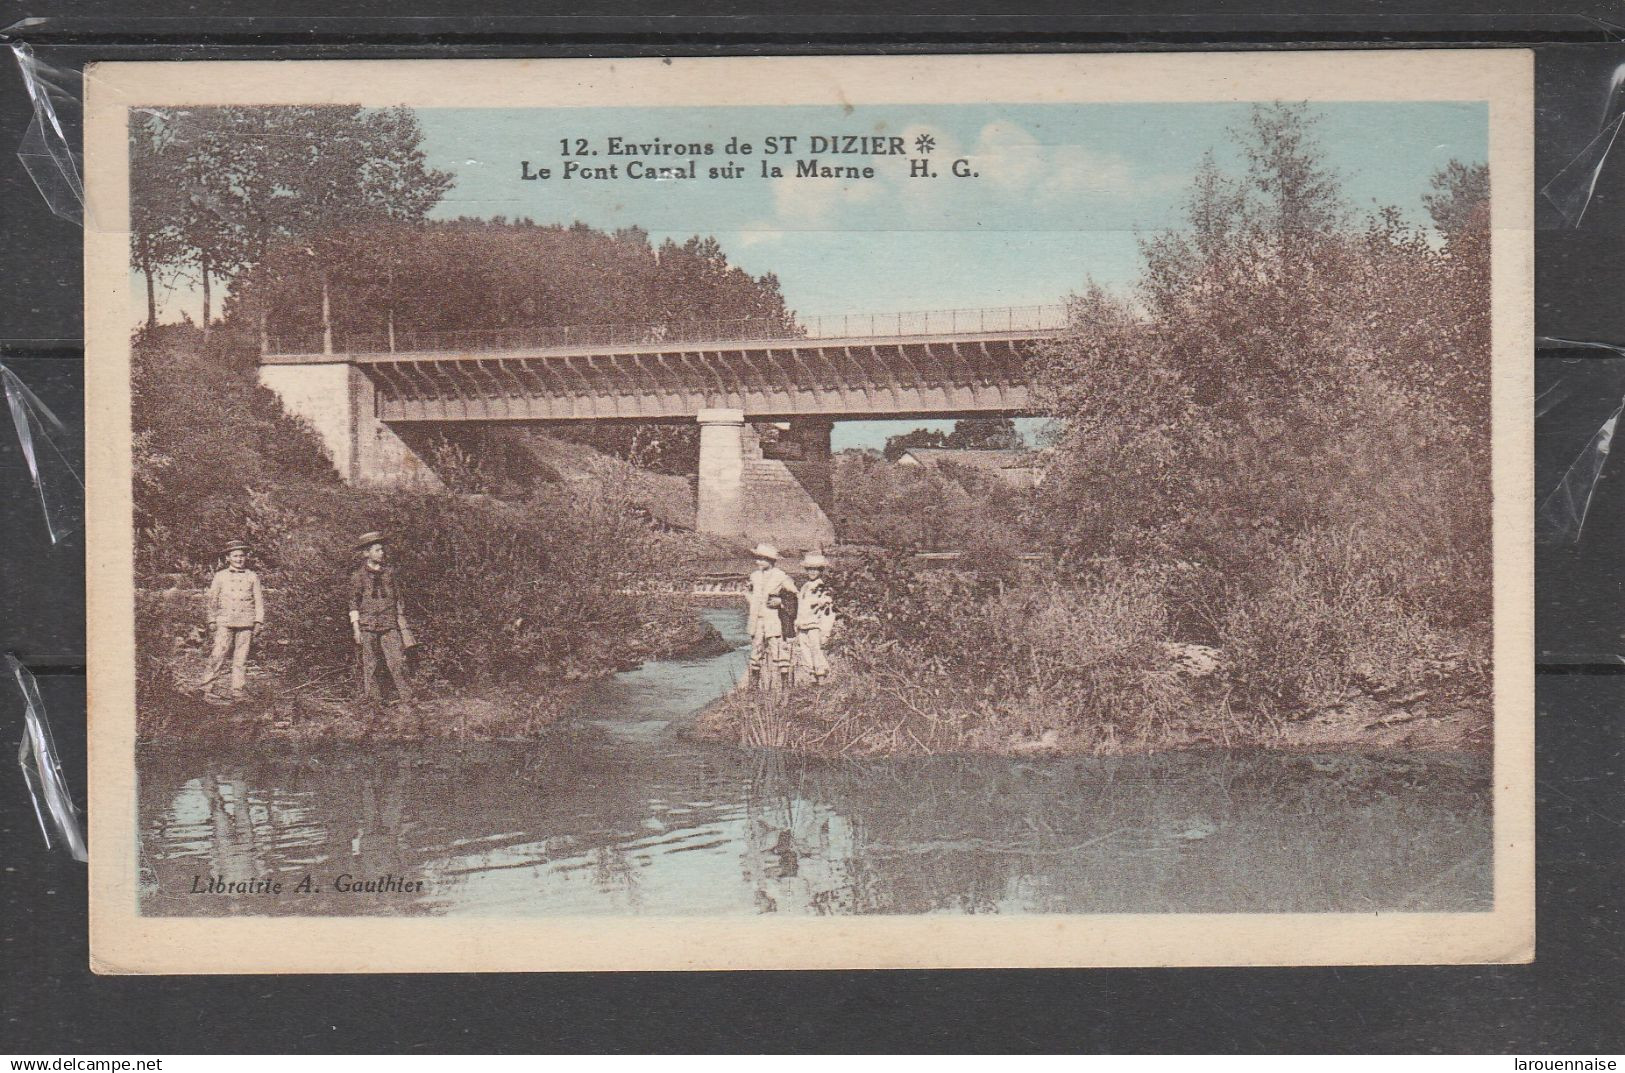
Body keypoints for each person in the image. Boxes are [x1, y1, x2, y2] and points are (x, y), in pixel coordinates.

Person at [348, 531, 415, 705]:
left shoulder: (390, 574)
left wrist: (402, 623)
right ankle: (374, 702)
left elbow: (399, 599)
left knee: (397, 661)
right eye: (377, 550)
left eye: (382, 549)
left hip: (389, 623)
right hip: (367, 625)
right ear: (366, 553)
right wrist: (356, 628)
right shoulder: (358, 576)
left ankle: (407, 698)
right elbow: (353, 603)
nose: (381, 553)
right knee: (371, 665)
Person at [200, 539, 264, 703]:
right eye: (235, 556)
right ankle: (207, 688)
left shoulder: (252, 576)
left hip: (246, 622)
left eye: (241, 556)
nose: (239, 559)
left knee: (240, 659)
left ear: (246, 557)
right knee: (218, 654)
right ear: (228, 558)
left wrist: (258, 621)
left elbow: (258, 601)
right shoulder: (220, 576)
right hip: (225, 621)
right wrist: (211, 620)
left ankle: (238, 691)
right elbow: (212, 600)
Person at [744, 542, 797, 692]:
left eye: (762, 559)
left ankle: (785, 686)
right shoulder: (754, 576)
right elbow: (750, 592)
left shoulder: (781, 576)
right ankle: (754, 686)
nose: (758, 562)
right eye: (757, 559)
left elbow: (795, 594)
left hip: (774, 620)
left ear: (771, 560)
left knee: (779, 650)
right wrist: (749, 596)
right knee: (756, 650)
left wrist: (781, 601)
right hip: (757, 620)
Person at [794, 552, 837, 686]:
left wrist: (825, 631)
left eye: (815, 569)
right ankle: (812, 678)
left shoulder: (822, 588)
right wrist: (797, 623)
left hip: (815, 625)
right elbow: (801, 607)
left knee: (816, 650)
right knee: (805, 651)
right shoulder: (805, 586)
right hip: (803, 624)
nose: (812, 572)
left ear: (821, 570)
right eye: (809, 569)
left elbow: (828, 611)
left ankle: (821, 678)